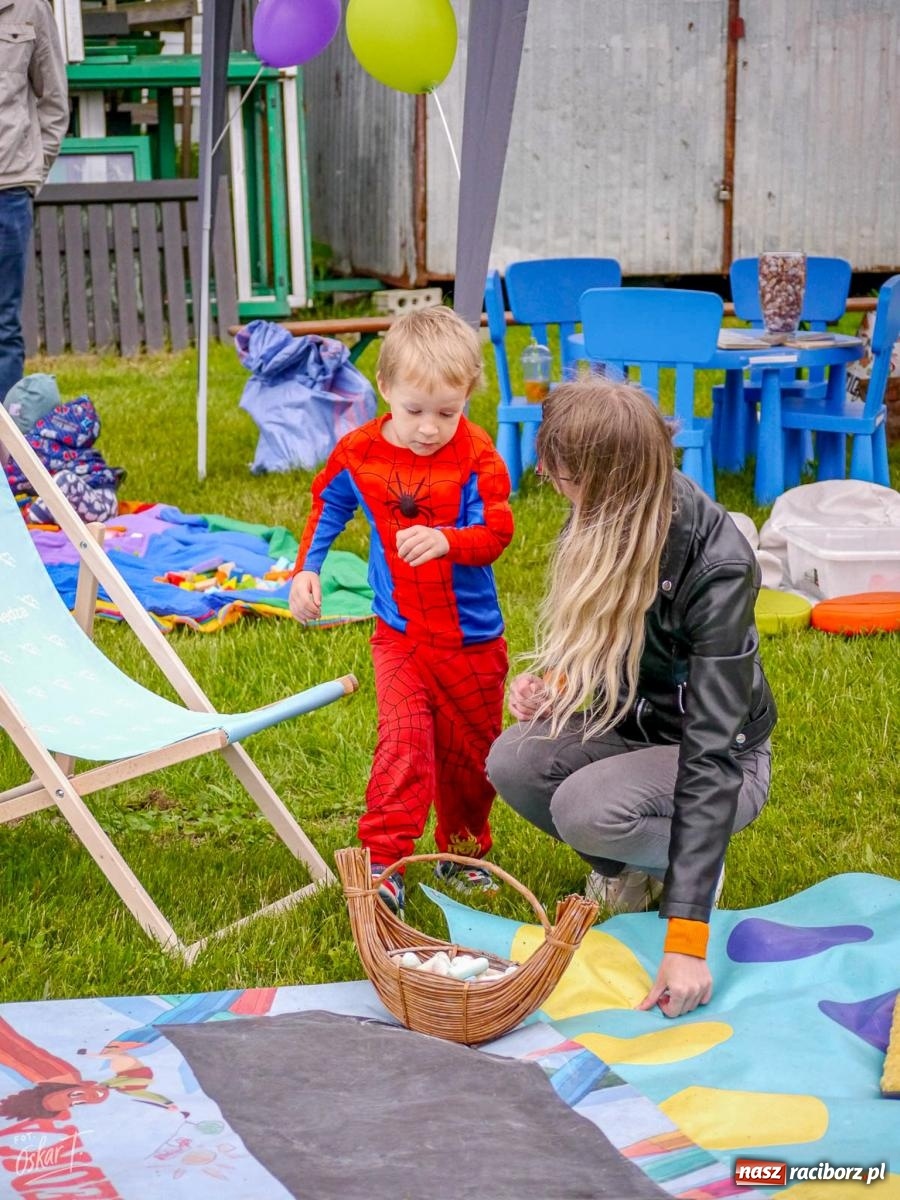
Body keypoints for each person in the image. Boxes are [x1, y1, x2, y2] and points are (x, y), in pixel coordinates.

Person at [486, 377, 776, 1019]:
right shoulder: (609, 509)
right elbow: (614, 640)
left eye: (561, 473)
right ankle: (624, 869)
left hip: (720, 762)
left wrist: (688, 938)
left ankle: (692, 875)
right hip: (633, 723)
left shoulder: (717, 566)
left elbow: (711, 750)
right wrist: (557, 683)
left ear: (610, 477)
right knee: (513, 762)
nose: (550, 480)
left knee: (585, 807)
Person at [289, 306, 514, 915]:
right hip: (401, 636)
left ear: (468, 396)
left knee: (473, 757)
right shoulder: (359, 452)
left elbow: (498, 532)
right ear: (385, 389)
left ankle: (462, 853)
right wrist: (307, 567)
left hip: (472, 641)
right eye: (415, 410)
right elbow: (328, 503)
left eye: (448, 411)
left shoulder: (476, 454)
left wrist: (449, 540)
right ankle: (384, 860)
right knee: (404, 739)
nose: (428, 428)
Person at [0, 0, 69, 404]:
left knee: (4, 325)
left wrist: (32, 174)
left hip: (9, 190)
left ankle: (5, 454)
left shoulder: (30, 7)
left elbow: (54, 101)